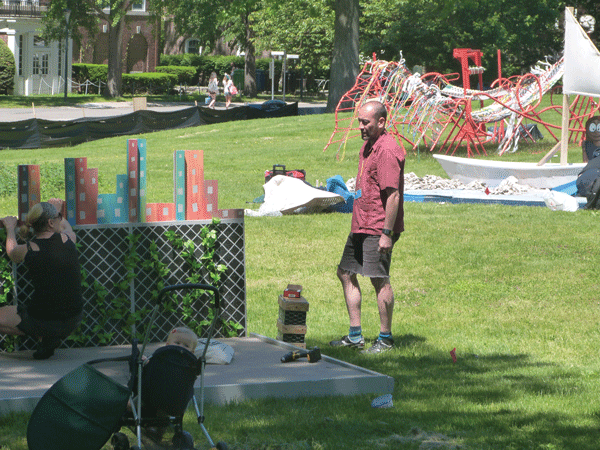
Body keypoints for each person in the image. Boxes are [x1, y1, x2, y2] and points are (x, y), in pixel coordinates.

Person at [330, 100, 405, 354]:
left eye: (366, 122)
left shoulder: (386, 150)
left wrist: (386, 234)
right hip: (361, 223)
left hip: (377, 226)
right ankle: (355, 336)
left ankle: (385, 339)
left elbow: (393, 195)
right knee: (345, 272)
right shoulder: (368, 147)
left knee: (379, 279)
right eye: (359, 122)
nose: (360, 127)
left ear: (381, 122)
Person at [0, 200, 83, 359]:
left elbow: (11, 251)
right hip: (74, 318)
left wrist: (10, 228)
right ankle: (48, 338)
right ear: (51, 223)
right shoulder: (68, 240)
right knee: (45, 315)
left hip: (42, 319)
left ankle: (45, 335)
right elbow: (66, 227)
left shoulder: (29, 249)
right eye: (58, 217)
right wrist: (58, 211)